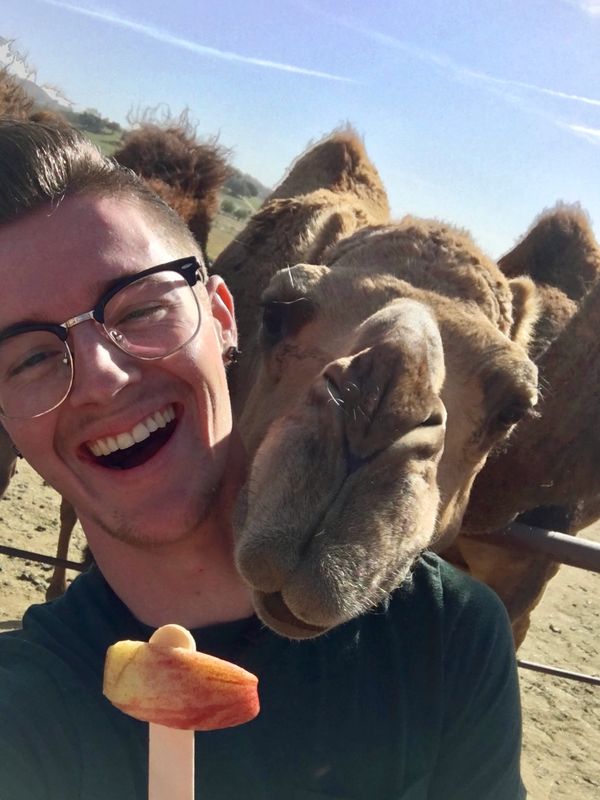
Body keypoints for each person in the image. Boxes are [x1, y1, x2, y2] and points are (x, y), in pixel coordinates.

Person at [0, 119, 526, 800]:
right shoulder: (23, 716)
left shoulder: (451, 639)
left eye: (137, 310)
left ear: (223, 315)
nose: (102, 377)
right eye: (33, 357)